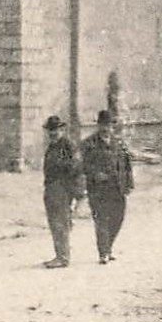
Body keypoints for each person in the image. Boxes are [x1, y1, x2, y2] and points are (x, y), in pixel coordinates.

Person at [78, 109, 134, 264]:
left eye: (109, 125)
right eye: (103, 125)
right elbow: (82, 165)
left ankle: (108, 247)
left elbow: (127, 165)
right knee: (101, 219)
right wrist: (95, 174)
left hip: (117, 188)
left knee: (118, 218)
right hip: (98, 189)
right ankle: (103, 252)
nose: (106, 128)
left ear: (112, 126)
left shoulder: (119, 143)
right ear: (98, 125)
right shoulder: (88, 144)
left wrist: (129, 183)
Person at [41, 114, 80, 269]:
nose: (53, 133)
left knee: (60, 223)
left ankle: (63, 257)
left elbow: (76, 168)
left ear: (62, 129)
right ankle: (60, 255)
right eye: (50, 130)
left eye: (56, 130)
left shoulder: (67, 146)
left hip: (62, 189)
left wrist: (74, 193)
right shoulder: (52, 146)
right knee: (54, 222)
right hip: (51, 188)